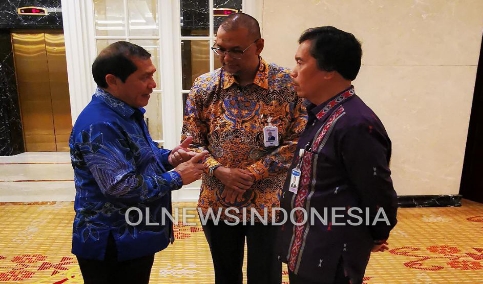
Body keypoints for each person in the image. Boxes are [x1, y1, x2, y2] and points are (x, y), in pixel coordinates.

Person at [181, 13, 307, 284]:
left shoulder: (287, 85)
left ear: (259, 45)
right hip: (217, 201)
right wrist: (219, 171)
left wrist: (252, 173)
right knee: (225, 275)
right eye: (221, 49)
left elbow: (299, 140)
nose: (226, 58)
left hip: (269, 203)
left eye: (236, 50)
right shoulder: (204, 87)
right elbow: (192, 140)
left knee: (266, 275)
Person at [69, 41, 208, 284]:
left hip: (133, 235)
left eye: (152, 76)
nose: (153, 85)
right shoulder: (100, 124)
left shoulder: (126, 112)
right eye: (145, 77)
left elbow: (143, 155)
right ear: (112, 80)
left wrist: (170, 157)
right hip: (111, 242)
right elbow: (121, 187)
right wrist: (177, 176)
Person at [278, 26, 398, 284]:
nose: (293, 71)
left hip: (331, 252)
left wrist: (378, 232)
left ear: (329, 71)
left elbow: (376, 188)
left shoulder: (355, 123)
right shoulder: (317, 113)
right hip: (305, 243)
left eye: (301, 62)